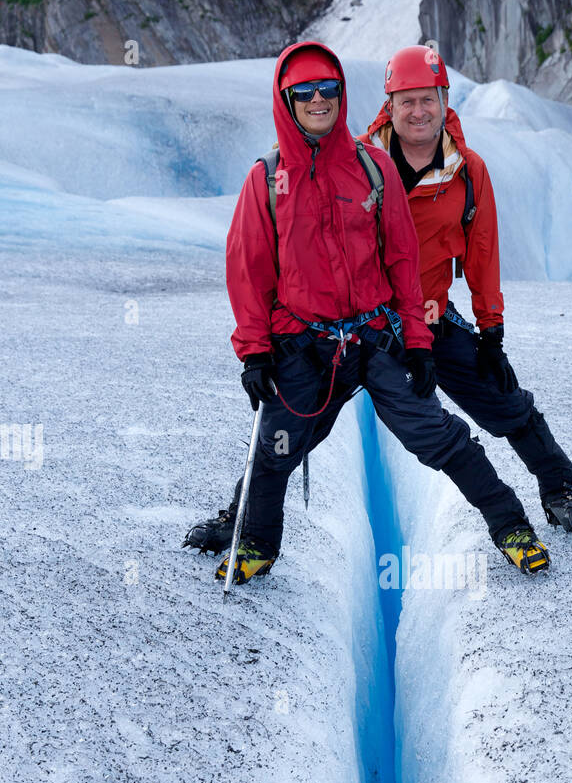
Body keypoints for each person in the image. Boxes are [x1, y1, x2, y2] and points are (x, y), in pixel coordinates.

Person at [194, 41, 550, 584]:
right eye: (305, 92)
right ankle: (255, 541)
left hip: (374, 336)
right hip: (304, 342)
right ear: (285, 100)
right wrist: (255, 353)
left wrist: (418, 341)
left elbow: (404, 263)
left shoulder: (370, 168)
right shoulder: (267, 180)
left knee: (437, 435)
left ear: (342, 93)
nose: (319, 100)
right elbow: (249, 271)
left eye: (328, 89)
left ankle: (511, 525)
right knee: (277, 446)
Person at [361, 44, 572, 534]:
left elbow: (482, 254)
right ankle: (246, 521)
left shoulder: (468, 171)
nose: (419, 110)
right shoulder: (359, 166)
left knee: (507, 401)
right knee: (295, 418)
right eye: (407, 100)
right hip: (360, 324)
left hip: (429, 318)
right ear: (390, 104)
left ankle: (559, 491)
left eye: (428, 98)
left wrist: (492, 332)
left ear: (445, 100)